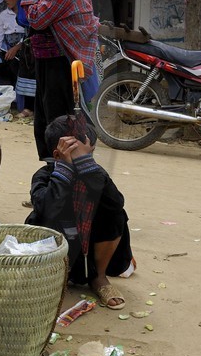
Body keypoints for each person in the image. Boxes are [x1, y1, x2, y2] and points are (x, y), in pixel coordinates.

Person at [25, 114, 135, 309]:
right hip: (57, 252)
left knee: (116, 214)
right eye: (79, 157)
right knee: (40, 217)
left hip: (89, 253)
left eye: (89, 155)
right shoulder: (44, 176)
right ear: (58, 155)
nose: (86, 162)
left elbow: (116, 204)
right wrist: (65, 169)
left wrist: (86, 165)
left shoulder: (95, 173)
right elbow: (48, 210)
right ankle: (55, 277)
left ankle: (99, 278)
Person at [20, 0, 100, 159]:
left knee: (59, 125)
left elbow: (37, 18)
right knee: (45, 121)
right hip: (49, 62)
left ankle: (64, 184)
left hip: (62, 65)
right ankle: (51, 181)